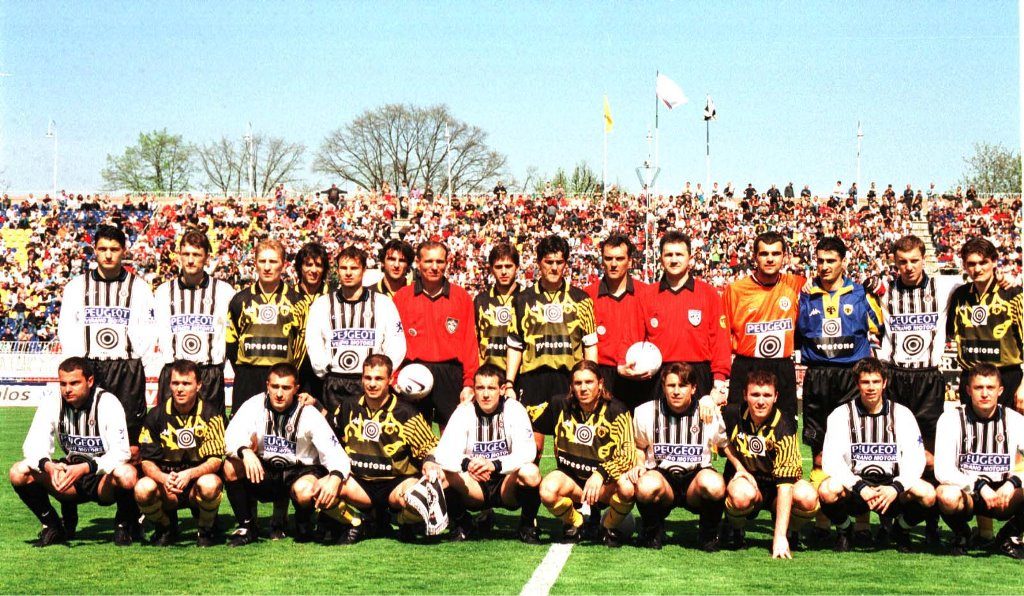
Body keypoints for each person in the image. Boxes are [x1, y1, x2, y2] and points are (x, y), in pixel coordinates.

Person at [875, 234, 961, 544]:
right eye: (902, 262)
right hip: (895, 376)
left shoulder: (944, 286)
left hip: (927, 378)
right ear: (894, 263)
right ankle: (889, 520)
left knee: (930, 454)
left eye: (914, 260)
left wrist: (1006, 277)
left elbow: (977, 279)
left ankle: (930, 522)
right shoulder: (885, 291)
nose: (909, 267)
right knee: (892, 449)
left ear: (924, 259)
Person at [9, 357, 139, 546]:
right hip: (69, 476)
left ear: (90, 381)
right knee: (18, 472)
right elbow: (32, 445)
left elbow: (121, 453)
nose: (67, 389)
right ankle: (52, 525)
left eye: (74, 383)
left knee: (126, 474)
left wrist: (86, 467)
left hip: (101, 479)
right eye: (63, 384)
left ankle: (123, 525)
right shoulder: (52, 402)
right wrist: (49, 466)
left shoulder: (107, 403)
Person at [222, 362, 354, 546]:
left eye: (286, 388)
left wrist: (335, 478)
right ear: (267, 385)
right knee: (230, 466)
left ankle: (303, 521)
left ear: (296, 389)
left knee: (305, 490)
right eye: (275, 386)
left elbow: (334, 452)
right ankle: (247, 526)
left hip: (299, 472)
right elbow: (230, 436)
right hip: (266, 470)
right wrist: (245, 452)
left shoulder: (308, 413)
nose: (279, 393)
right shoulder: (254, 404)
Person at [331, 354, 454, 542]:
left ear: (390, 379)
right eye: (368, 378)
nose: (372, 384)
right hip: (359, 484)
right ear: (362, 378)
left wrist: (429, 462)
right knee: (318, 489)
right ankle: (357, 522)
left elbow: (431, 446)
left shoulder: (406, 413)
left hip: (397, 484)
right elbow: (329, 437)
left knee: (423, 496)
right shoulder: (348, 407)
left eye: (379, 378)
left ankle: (402, 521)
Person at [818, 357, 936, 552]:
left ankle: (900, 529)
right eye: (865, 382)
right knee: (827, 490)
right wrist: (860, 487)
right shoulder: (841, 415)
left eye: (876, 381)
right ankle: (845, 529)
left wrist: (896, 487)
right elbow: (831, 461)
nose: (871, 387)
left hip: (892, 487)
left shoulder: (902, 414)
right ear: (857, 384)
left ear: (884, 383)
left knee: (928, 494)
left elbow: (916, 459)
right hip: (856, 488)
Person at [797, 238, 880, 495]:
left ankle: (858, 513)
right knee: (819, 451)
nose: (824, 266)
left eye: (831, 261)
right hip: (818, 376)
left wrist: (880, 291)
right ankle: (821, 513)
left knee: (854, 447)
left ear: (843, 262)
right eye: (820, 261)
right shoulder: (805, 294)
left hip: (851, 376)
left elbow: (882, 327)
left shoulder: (860, 294)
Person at [58, 224, 155, 443]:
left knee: (130, 435)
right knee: (90, 430)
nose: (108, 255)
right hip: (90, 365)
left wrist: (136, 363)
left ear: (124, 251)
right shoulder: (76, 287)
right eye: (103, 249)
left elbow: (149, 330)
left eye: (114, 249)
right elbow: (66, 329)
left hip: (126, 368)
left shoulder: (139, 287)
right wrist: (79, 365)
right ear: (95, 250)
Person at [506, 235, 598, 445]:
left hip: (568, 380)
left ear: (566, 263)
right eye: (549, 262)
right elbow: (515, 346)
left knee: (567, 445)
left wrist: (592, 380)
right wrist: (510, 383)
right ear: (539, 263)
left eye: (559, 262)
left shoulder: (582, 300)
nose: (554, 268)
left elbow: (590, 345)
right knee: (533, 447)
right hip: (533, 380)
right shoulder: (522, 300)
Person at [437, 364, 542, 543]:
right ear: (474, 390)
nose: (485, 394)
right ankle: (463, 523)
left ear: (502, 389)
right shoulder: (464, 411)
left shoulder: (515, 409)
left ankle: (527, 524)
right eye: (480, 388)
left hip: (505, 484)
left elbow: (528, 451)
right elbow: (443, 452)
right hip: (474, 484)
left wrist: (495, 464)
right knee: (440, 475)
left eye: (491, 388)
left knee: (531, 473)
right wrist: (468, 464)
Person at [535, 360, 636, 546]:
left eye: (589, 382)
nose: (583, 388)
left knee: (628, 487)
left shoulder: (617, 410)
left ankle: (607, 526)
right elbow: (530, 422)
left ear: (600, 383)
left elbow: (629, 457)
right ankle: (576, 522)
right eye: (578, 383)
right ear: (571, 386)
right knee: (547, 490)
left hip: (604, 485)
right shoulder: (559, 405)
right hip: (572, 481)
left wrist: (600, 473)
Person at [720, 370, 819, 558]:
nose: (760, 401)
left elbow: (786, 485)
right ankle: (736, 529)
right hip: (748, 483)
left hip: (777, 487)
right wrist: (739, 467)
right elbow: (719, 440)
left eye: (767, 395)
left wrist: (779, 537)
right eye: (755, 394)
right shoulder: (732, 414)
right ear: (745, 395)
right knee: (740, 494)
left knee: (807, 497)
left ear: (776, 397)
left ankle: (790, 531)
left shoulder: (785, 427)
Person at [630, 362, 728, 551]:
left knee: (715, 485)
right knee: (645, 486)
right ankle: (652, 531)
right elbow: (639, 446)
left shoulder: (706, 412)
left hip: (695, 481)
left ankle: (708, 533)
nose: (676, 391)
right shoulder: (645, 412)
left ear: (693, 388)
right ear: (663, 386)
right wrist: (639, 464)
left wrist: (740, 470)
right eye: (671, 385)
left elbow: (726, 446)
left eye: (682, 386)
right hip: (662, 479)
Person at [934, 363, 1024, 558]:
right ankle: (962, 533)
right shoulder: (950, 419)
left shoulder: (1015, 420)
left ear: (1000, 391)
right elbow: (942, 470)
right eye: (978, 387)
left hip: (1004, 494)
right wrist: (979, 485)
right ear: (968, 390)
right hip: (969, 493)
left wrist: (1013, 482)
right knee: (945, 494)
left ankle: (1009, 535)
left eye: (990, 387)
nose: (984, 394)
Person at [134, 360, 226, 547]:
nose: (180, 389)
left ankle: (205, 528)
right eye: (175, 383)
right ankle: (166, 527)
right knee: (142, 488)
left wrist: (189, 474)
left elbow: (216, 460)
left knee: (210, 484)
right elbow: (147, 461)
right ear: (169, 385)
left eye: (186, 383)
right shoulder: (155, 415)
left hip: (196, 485)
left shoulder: (212, 414)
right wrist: (163, 478)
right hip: (167, 486)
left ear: (198, 385)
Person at [306, 246, 406, 413]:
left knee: (370, 428)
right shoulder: (322, 304)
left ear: (364, 270)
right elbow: (313, 341)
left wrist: (382, 374)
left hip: (369, 381)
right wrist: (324, 369)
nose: (348, 273)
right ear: (337, 270)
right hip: (335, 381)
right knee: (334, 427)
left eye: (354, 268)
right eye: (343, 268)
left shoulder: (382, 303)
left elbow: (396, 342)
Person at [393, 241, 477, 427]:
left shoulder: (461, 297)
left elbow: (469, 343)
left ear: (447, 263)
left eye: (439, 261)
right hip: (414, 372)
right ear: (418, 263)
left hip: (450, 375)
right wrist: (396, 376)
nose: (434, 267)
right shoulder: (402, 297)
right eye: (428, 261)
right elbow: (394, 342)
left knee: (452, 435)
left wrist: (469, 382)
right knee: (413, 435)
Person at [722, 231, 805, 420]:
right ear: (755, 257)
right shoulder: (736, 290)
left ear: (784, 257)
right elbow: (723, 336)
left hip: (782, 366)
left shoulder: (797, 284)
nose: (770, 259)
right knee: (739, 426)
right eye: (764, 253)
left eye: (775, 253)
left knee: (785, 426)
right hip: (746, 366)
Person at [153, 229, 236, 413]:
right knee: (169, 429)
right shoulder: (163, 292)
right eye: (186, 254)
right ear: (179, 256)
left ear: (206, 258)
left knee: (211, 430)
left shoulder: (224, 292)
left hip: (209, 375)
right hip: (174, 374)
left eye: (197, 255)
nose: (190, 260)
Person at [645, 231, 731, 406]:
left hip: (698, 373)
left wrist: (719, 381)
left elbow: (720, 340)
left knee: (699, 424)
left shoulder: (709, 293)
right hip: (659, 376)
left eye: (679, 254)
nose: (674, 260)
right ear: (660, 258)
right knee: (660, 424)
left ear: (690, 258)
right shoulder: (647, 295)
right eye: (668, 255)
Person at [225, 238, 309, 412]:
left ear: (283, 265)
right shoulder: (239, 300)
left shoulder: (298, 301)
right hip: (247, 379)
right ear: (255, 264)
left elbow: (302, 346)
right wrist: (244, 370)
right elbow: (231, 343)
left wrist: (291, 376)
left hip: (282, 379)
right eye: (262, 261)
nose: (267, 267)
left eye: (273, 261)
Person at [946, 237, 1024, 408]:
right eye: (971, 264)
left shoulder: (1014, 294)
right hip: (971, 379)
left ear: (994, 262)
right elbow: (950, 333)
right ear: (964, 265)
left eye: (983, 262)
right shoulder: (959, 295)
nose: (977, 269)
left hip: (1007, 378)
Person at [585, 234, 655, 408]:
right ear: (602, 261)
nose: (614, 264)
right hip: (602, 376)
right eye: (608, 258)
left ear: (630, 262)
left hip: (638, 375)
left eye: (620, 258)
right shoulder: (587, 295)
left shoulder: (647, 293)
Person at [474, 243, 522, 373]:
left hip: (520, 374)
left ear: (517, 267)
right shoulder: (480, 300)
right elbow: (474, 341)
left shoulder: (527, 298)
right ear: (491, 269)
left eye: (508, 266)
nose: (504, 272)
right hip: (488, 375)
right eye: (498, 267)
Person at [293, 242, 331, 398]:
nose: (313, 270)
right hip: (295, 370)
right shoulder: (288, 296)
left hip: (325, 372)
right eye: (308, 264)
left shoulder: (333, 297)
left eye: (318, 265)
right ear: (300, 267)